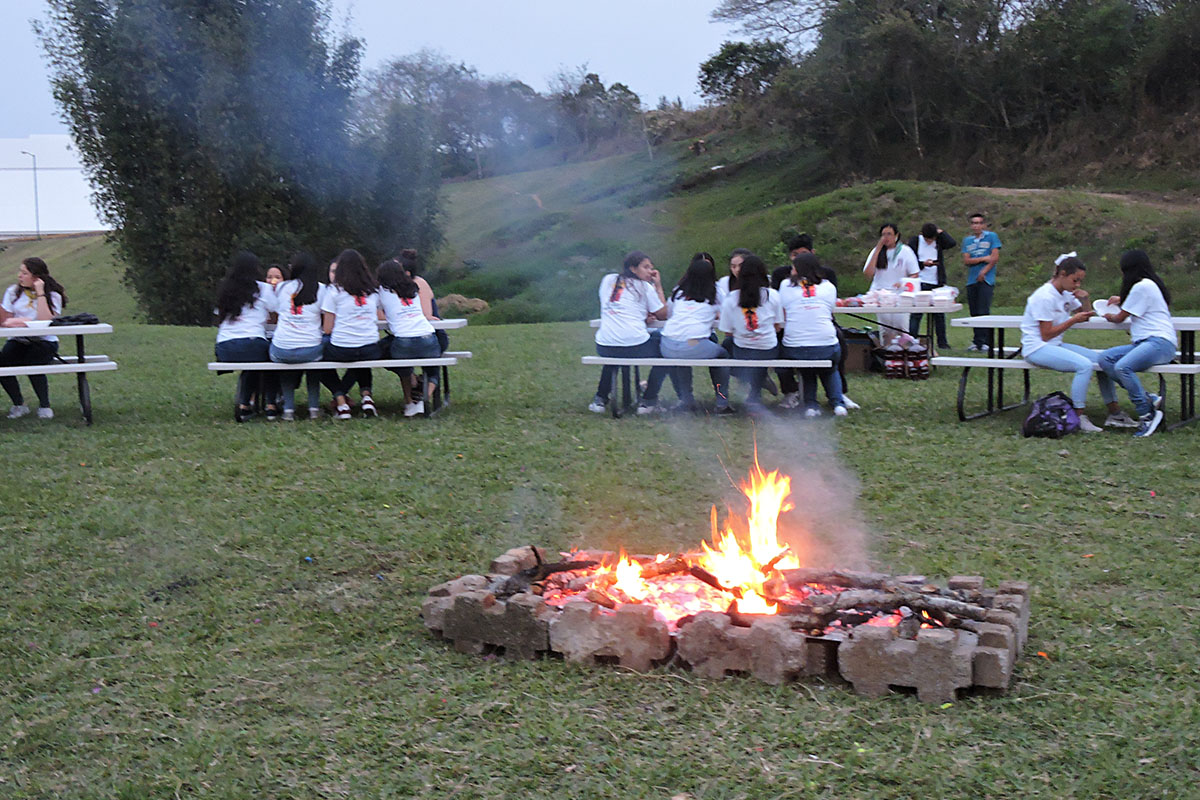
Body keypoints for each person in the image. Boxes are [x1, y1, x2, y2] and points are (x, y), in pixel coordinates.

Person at [1020, 254, 1122, 433]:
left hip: (1054, 344)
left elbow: (1085, 315)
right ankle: (1078, 416)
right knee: (1084, 365)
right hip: (1036, 347)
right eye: (1075, 280)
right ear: (1062, 274)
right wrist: (1072, 320)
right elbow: (1045, 335)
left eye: (1080, 281)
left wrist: (1084, 299)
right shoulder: (1044, 296)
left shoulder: (1065, 293)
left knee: (1102, 359)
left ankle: (1115, 412)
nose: (1077, 285)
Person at [1097, 249, 1176, 438]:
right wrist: (1122, 300)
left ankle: (1146, 414)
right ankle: (1149, 399)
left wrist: (1107, 315)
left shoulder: (1142, 286)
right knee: (1105, 359)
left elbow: (1119, 317)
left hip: (1160, 342)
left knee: (1123, 367)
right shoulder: (1149, 284)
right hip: (1146, 342)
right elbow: (1131, 305)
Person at [647, 255, 731, 414]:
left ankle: (686, 400)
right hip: (694, 343)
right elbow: (726, 315)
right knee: (722, 356)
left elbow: (667, 314)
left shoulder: (679, 292)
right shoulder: (716, 292)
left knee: (679, 360)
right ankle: (722, 402)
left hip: (668, 343)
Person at [589, 251, 667, 413]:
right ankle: (649, 401)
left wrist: (641, 315)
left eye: (651, 268)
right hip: (635, 344)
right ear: (633, 268)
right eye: (646, 267)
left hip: (604, 345)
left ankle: (600, 399)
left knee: (615, 353)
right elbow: (663, 314)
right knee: (668, 351)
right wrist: (658, 286)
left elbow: (624, 307)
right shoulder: (645, 287)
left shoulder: (608, 280)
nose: (651, 272)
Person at [215, 251, 279, 422]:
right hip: (252, 342)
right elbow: (276, 307)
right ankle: (270, 404)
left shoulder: (225, 289)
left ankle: (245, 404)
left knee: (250, 366)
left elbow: (218, 315)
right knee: (273, 357)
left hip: (224, 347)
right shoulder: (262, 288)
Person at [780, 252, 846, 417]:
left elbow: (784, 312)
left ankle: (811, 405)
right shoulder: (828, 287)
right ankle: (837, 402)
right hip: (826, 344)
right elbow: (830, 312)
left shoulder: (785, 286)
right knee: (831, 368)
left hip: (795, 347)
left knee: (807, 370)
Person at [0, 257, 67, 419]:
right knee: (2, 364)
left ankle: (45, 405)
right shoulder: (13, 292)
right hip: (18, 340)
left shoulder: (53, 295)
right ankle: (19, 404)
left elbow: (45, 321)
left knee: (34, 362)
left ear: (36, 277)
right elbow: (6, 321)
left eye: (24, 273)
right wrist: (26, 322)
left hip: (44, 342)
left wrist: (41, 293)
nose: (20, 276)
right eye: (20, 272)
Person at [269, 252, 332, 420]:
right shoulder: (322, 289)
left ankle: (288, 409)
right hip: (310, 349)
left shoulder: (282, 288)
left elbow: (275, 312)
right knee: (314, 367)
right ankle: (314, 408)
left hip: (282, 349)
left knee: (286, 366)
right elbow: (326, 319)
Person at [321, 249, 382, 420]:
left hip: (343, 348)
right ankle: (367, 397)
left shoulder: (334, 291)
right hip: (370, 348)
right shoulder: (373, 291)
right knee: (361, 359)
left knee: (317, 360)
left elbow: (327, 329)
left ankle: (341, 402)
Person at [378, 258, 441, 418]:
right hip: (427, 336)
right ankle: (424, 400)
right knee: (433, 370)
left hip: (403, 340)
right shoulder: (413, 288)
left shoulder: (381, 291)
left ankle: (408, 403)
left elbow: (380, 318)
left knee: (403, 367)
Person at [719, 254, 781, 412]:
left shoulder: (731, 298)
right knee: (763, 350)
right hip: (768, 349)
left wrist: (746, 334)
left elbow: (727, 331)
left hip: (742, 350)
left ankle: (753, 389)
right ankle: (755, 393)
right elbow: (778, 326)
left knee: (727, 347)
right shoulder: (773, 295)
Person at [862, 223, 919, 344]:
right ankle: (887, 354)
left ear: (896, 236)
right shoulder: (876, 252)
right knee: (885, 330)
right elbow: (868, 273)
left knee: (901, 327)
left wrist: (904, 282)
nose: (886, 237)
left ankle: (905, 353)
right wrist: (877, 249)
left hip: (900, 295)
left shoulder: (905, 251)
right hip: (881, 295)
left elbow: (915, 273)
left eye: (889, 234)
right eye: (883, 234)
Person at [907, 223, 957, 349]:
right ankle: (912, 339)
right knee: (917, 313)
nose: (930, 242)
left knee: (939, 314)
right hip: (920, 281)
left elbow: (952, 243)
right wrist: (923, 264)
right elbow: (910, 260)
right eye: (927, 239)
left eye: (932, 239)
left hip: (936, 282)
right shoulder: (915, 241)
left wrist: (942, 233)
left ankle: (942, 342)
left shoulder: (939, 241)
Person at [961, 213, 1002, 351]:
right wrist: (983, 258)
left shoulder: (991, 237)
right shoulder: (967, 241)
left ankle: (986, 341)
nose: (976, 226)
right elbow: (967, 260)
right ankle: (977, 341)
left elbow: (994, 258)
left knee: (983, 310)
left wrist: (984, 271)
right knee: (974, 311)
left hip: (986, 279)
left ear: (983, 225)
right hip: (971, 280)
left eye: (978, 223)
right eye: (973, 223)